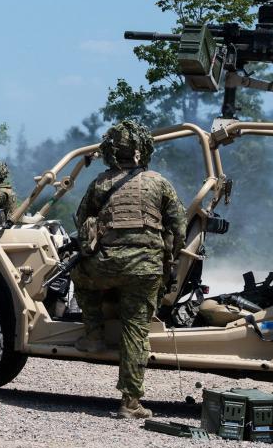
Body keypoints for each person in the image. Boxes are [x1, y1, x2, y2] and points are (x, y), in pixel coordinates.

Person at [70, 119, 186, 419]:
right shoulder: (159, 183)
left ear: (111, 152)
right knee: (136, 330)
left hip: (106, 264)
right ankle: (130, 403)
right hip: (146, 270)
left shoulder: (101, 183)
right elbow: (179, 228)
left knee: (79, 276)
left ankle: (93, 334)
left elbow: (81, 218)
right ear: (143, 151)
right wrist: (168, 259)